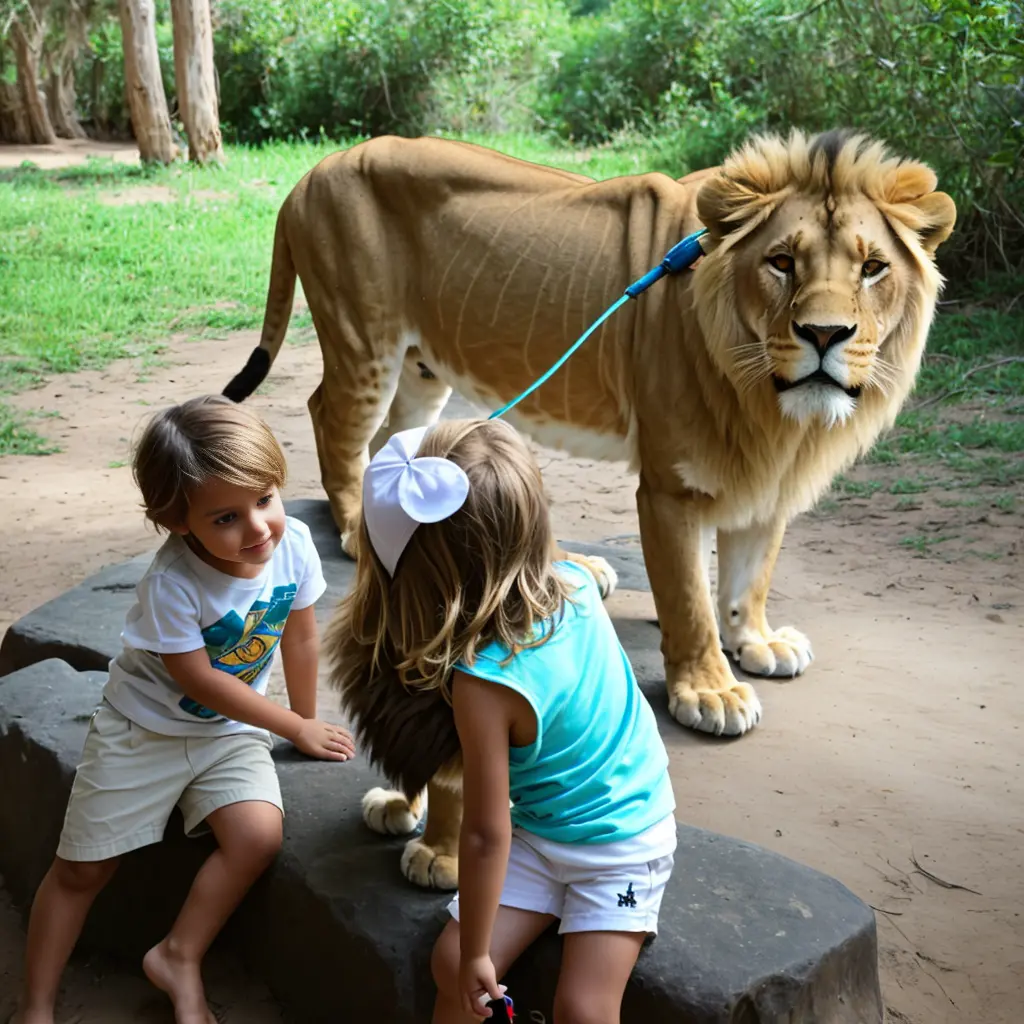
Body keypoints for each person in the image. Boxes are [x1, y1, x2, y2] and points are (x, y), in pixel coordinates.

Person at [15, 395, 355, 1024]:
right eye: (226, 517)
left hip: (231, 732)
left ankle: (179, 954)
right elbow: (198, 680)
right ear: (177, 521)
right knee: (82, 870)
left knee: (257, 836)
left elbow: (302, 635)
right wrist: (291, 723)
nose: (257, 529)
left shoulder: (294, 543)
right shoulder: (172, 583)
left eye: (266, 500)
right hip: (141, 732)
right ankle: (35, 1006)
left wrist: (304, 728)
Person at [339, 417, 676, 1023]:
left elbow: (485, 832)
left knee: (584, 1010)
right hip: (542, 837)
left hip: (623, 842)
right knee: (450, 968)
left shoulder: (481, 684)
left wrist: (476, 956)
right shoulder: (573, 578)